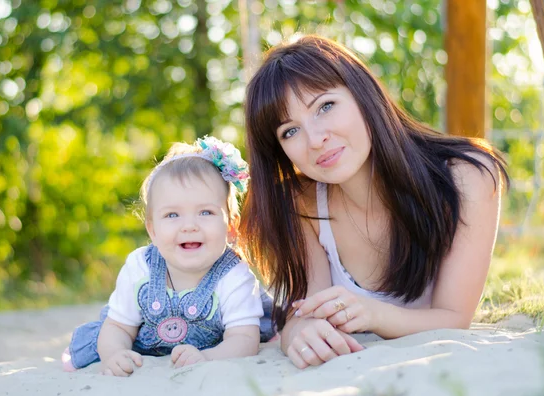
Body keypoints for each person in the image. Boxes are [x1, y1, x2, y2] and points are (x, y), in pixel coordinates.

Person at [239, 35, 509, 369]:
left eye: (325, 106)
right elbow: (308, 309)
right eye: (290, 131)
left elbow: (455, 318)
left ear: (363, 94)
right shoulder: (303, 202)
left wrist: (370, 314)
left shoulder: (467, 176)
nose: (315, 139)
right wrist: (298, 332)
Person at [63, 136, 268, 376]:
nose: (189, 225)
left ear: (231, 226)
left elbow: (244, 338)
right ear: (152, 229)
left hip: (209, 350)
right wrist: (114, 354)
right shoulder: (140, 267)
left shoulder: (234, 276)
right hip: (143, 349)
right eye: (172, 215)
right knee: (103, 339)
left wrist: (206, 357)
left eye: (205, 212)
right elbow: (118, 326)